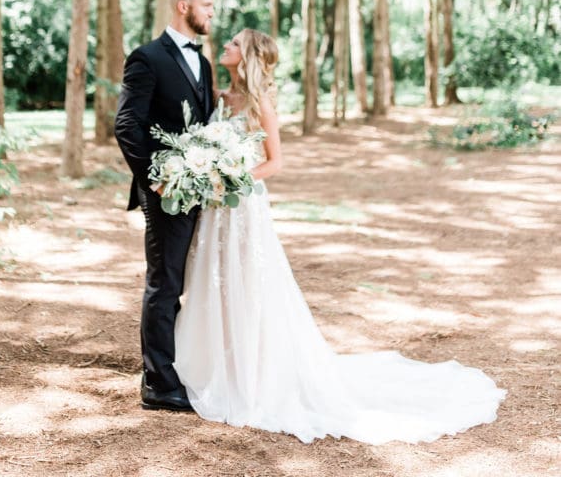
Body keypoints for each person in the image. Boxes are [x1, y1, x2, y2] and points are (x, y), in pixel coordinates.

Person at [174, 28, 506, 444]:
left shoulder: (261, 104)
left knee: (251, 284)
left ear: (250, 56)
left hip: (244, 206)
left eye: (235, 43)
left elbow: (274, 162)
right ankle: (216, 364)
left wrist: (231, 176)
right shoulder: (220, 98)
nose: (227, 46)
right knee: (216, 282)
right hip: (216, 209)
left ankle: (254, 373)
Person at [114, 0, 215, 412]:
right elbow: (126, 125)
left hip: (202, 191)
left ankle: (183, 367)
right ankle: (157, 383)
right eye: (207, 6)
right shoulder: (147, 58)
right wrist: (154, 179)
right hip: (165, 192)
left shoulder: (205, 64)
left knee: (193, 280)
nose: (213, 13)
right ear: (183, 7)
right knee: (164, 283)